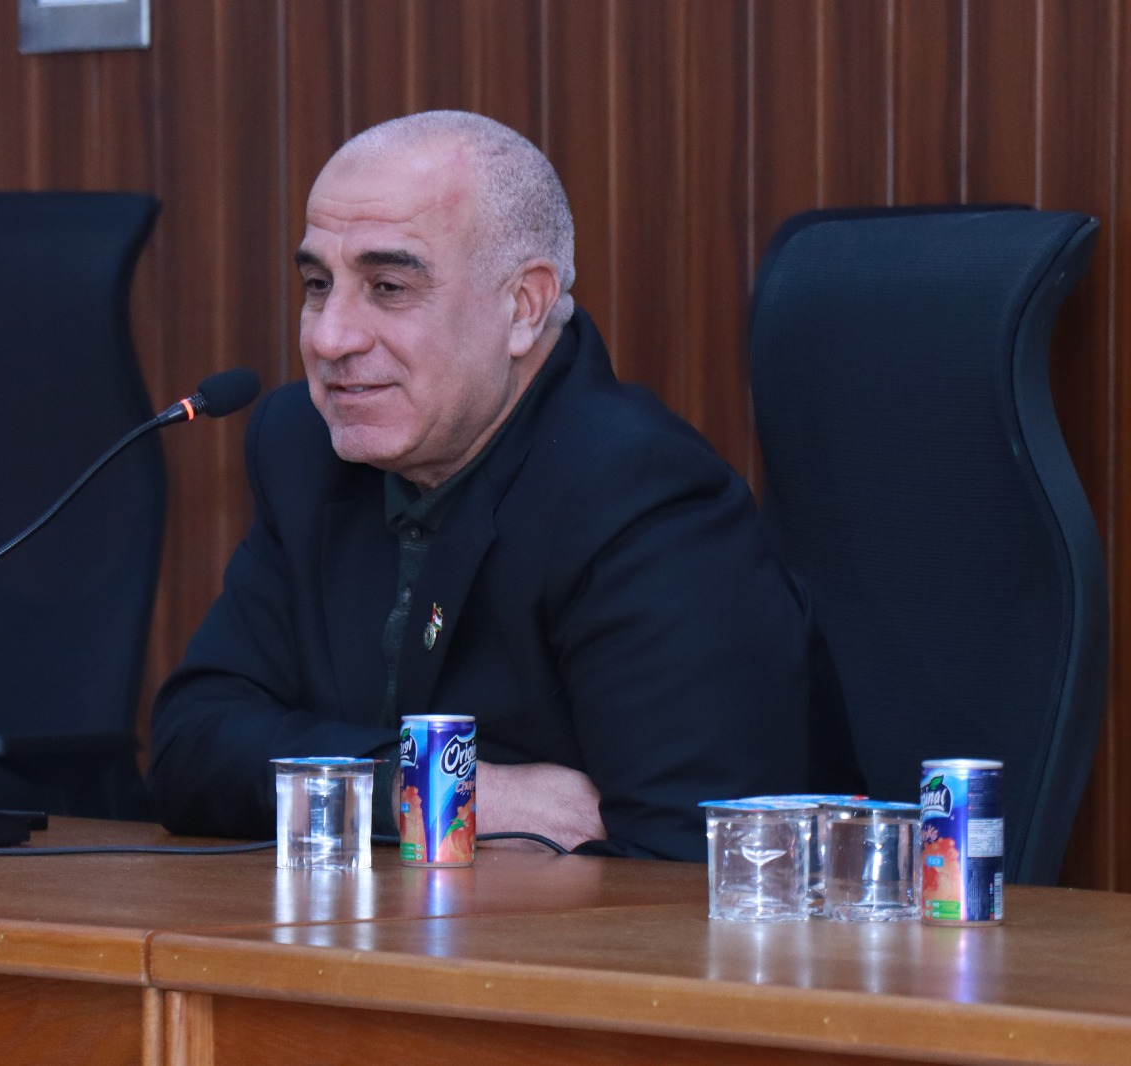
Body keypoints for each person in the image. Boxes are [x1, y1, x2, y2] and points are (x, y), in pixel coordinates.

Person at [146, 110, 859, 860]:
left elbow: (697, 860)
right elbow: (192, 748)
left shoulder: (640, 497)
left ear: (523, 306)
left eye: (388, 286)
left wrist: (342, 778)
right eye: (319, 285)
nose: (330, 337)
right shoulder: (304, 445)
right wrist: (447, 794)